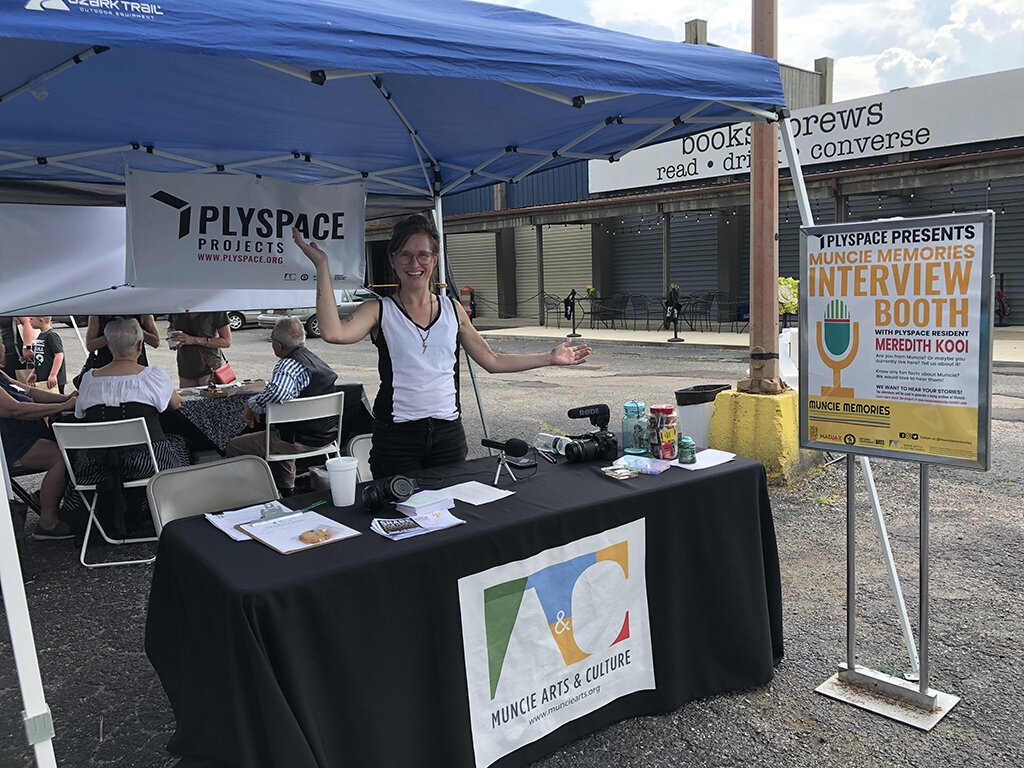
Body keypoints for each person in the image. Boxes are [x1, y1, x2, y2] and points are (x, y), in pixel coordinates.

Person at [292, 213, 591, 478]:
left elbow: (492, 360)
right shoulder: (379, 310)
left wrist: (549, 357)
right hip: (396, 439)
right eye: (405, 255)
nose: (415, 264)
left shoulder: (452, 310)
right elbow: (333, 332)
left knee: (451, 518)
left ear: (434, 259)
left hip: (448, 436)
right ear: (393, 259)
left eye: (423, 255)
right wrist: (322, 266)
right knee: (397, 522)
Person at [63, 317, 189, 539]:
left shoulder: (88, 380)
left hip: (95, 467)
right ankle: (163, 513)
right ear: (140, 345)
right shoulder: (152, 376)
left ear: (109, 346)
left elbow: (79, 413)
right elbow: (176, 404)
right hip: (148, 464)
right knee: (178, 445)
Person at [225, 317, 338, 494]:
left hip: (299, 440)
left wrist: (251, 404)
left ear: (278, 345)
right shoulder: (318, 362)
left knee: (235, 445)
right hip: (327, 437)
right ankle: (287, 490)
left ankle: (245, 495)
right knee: (279, 431)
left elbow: (279, 393)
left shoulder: (288, 365)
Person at [0, 335, 76, 540]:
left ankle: (43, 497)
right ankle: (47, 523)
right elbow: (14, 410)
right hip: (9, 446)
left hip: (22, 438)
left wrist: (66, 398)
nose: (2, 346)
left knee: (69, 447)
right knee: (61, 457)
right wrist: (61, 407)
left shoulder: (1, 375)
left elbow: (30, 392)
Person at [167, 311, 232, 387]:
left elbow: (226, 342)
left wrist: (194, 340)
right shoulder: (176, 307)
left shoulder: (215, 310)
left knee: (210, 398)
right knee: (189, 398)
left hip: (210, 367)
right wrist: (173, 337)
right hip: (185, 368)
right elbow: (171, 327)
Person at [26, 316, 67, 394]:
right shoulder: (40, 336)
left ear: (41, 321)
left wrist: (53, 374)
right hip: (43, 377)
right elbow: (39, 358)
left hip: (53, 380)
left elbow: (59, 355)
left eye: (31, 319)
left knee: (56, 401)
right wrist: (34, 372)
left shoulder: (52, 335)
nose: (29, 321)